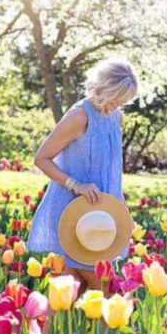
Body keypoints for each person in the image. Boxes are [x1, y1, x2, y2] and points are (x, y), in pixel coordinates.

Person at [28, 59, 139, 293]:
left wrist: (119, 207)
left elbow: (110, 170)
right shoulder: (79, 117)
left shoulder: (116, 117)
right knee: (107, 292)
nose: (118, 105)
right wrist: (76, 185)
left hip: (101, 215)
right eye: (115, 98)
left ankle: (33, 330)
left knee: (71, 291)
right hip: (77, 215)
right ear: (102, 89)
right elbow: (42, 158)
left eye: (123, 101)